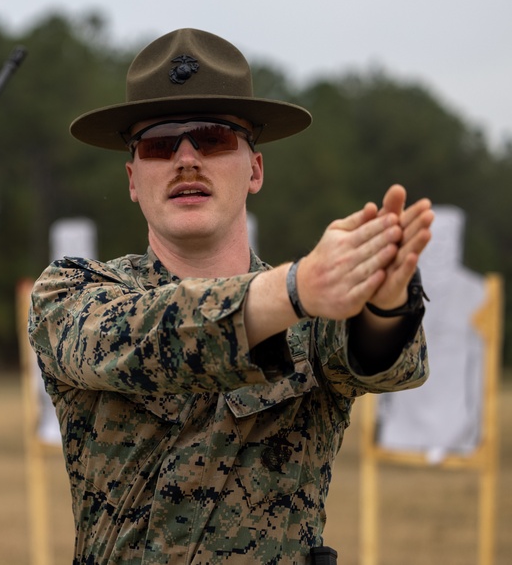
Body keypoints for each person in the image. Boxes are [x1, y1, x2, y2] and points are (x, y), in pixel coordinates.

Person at [28, 28, 434, 565]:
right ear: (132, 179)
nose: (187, 159)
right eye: (158, 144)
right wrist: (294, 290)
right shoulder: (71, 293)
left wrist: (383, 300)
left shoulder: (313, 310)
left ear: (255, 170)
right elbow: (144, 336)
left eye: (213, 138)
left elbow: (386, 361)